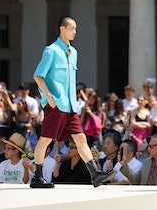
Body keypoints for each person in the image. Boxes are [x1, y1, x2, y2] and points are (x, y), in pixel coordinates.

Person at [31, 16, 115, 188]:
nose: (75, 32)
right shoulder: (51, 50)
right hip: (56, 104)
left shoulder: (73, 52)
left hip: (70, 106)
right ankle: (37, 177)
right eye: (72, 28)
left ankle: (95, 175)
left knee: (81, 138)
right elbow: (38, 75)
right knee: (46, 139)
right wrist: (49, 96)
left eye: (76, 28)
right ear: (62, 28)